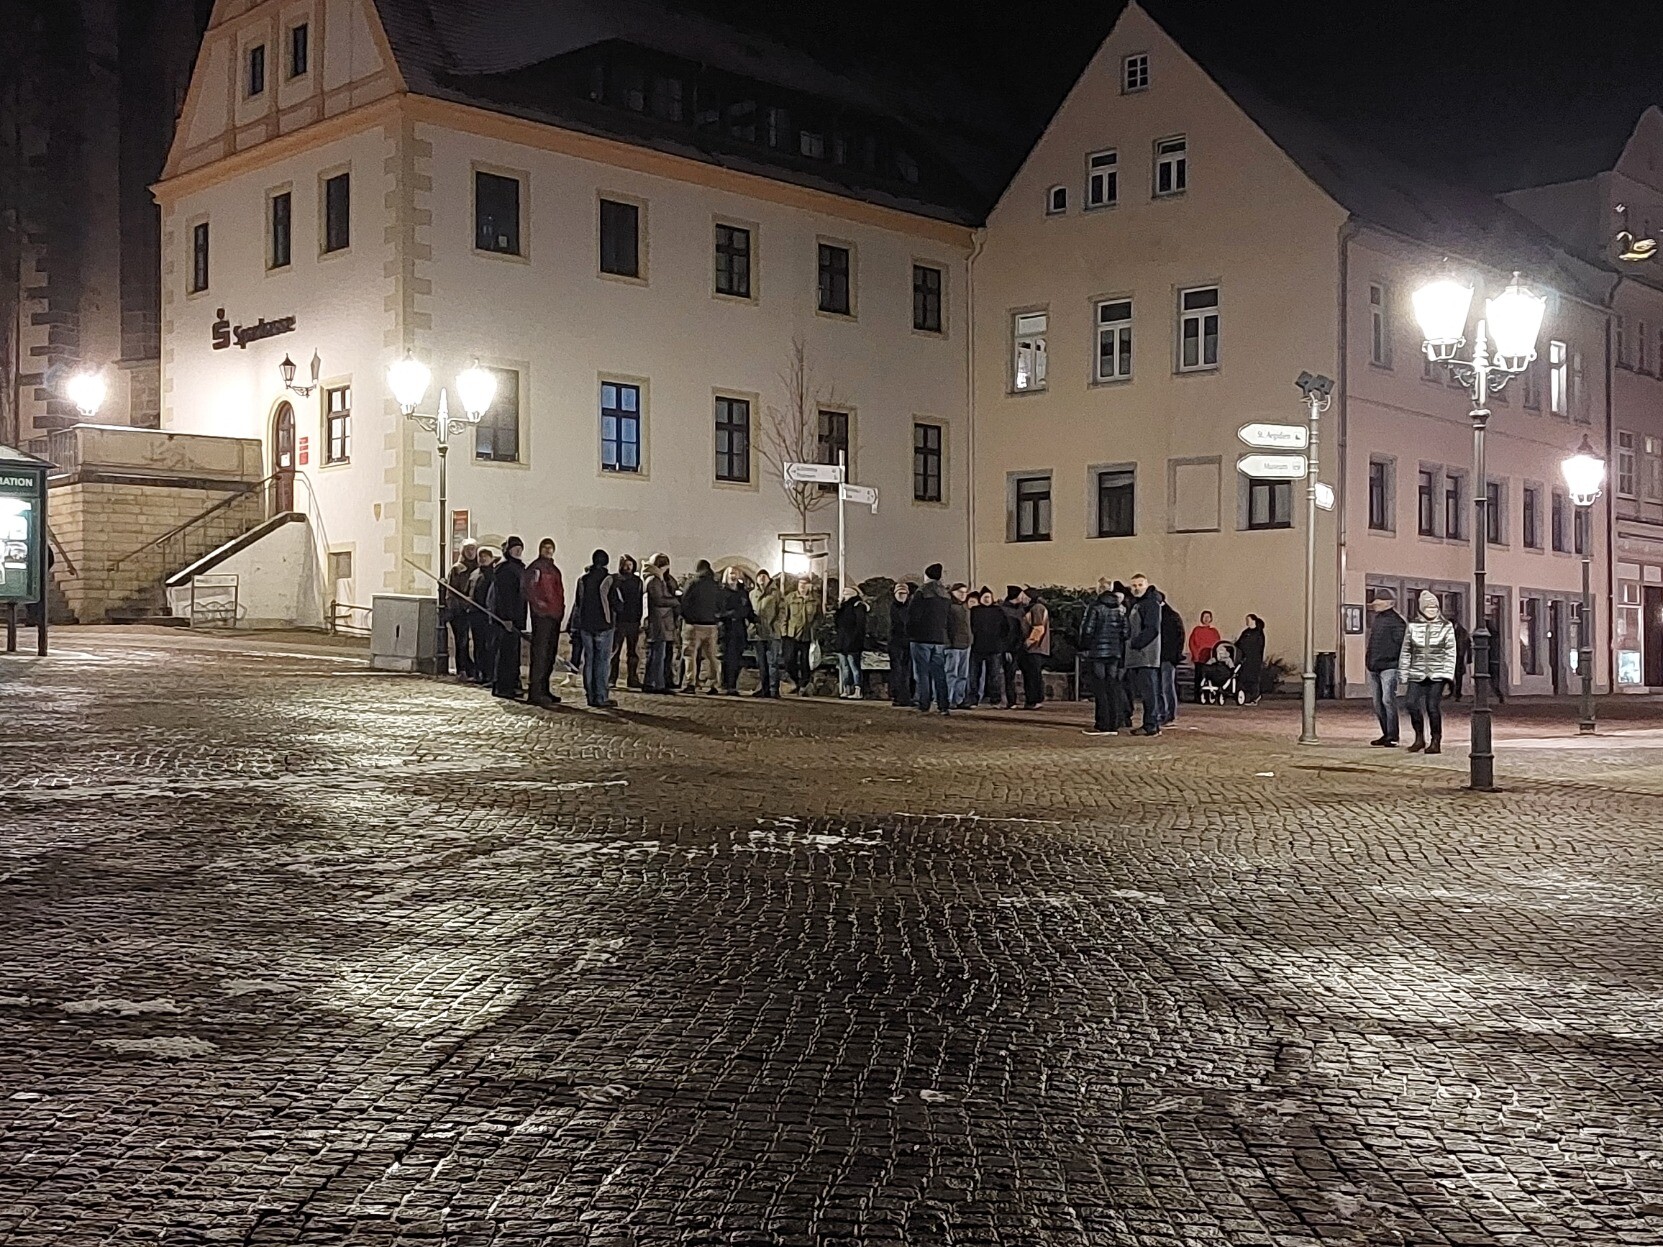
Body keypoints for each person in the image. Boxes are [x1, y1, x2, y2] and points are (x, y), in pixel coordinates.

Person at [1399, 589, 1457, 754]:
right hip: (1417, 672)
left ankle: (1435, 740)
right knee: (1411, 703)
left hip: (1437, 673)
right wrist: (1404, 673)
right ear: (1421, 609)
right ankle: (1419, 737)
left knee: (1432, 706)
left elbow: (1450, 652)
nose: (1431, 610)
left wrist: (1448, 675)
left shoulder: (1446, 626)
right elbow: (1406, 650)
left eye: (1434, 607)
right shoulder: (1413, 626)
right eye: (1428, 608)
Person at [572, 549, 623, 709]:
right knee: (602, 661)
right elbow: (617, 603)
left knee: (589, 661)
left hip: (585, 625)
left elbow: (578, 602)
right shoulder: (609, 580)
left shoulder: (582, 579)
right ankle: (600, 696)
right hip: (604, 624)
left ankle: (590, 695)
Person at [1079, 581, 1130, 736]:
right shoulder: (1120, 608)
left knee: (1100, 687)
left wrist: (1084, 646)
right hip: (1114, 653)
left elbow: (1088, 630)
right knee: (1112, 686)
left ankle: (1103, 722)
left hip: (1098, 653)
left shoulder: (1095, 607)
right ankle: (1115, 721)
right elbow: (1126, 632)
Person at [526, 538, 566, 706]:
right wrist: (540, 607)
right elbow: (530, 590)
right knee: (540, 654)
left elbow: (559, 591)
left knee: (549, 654)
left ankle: (544, 688)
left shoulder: (554, 570)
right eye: (545, 548)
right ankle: (535, 691)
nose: (548, 550)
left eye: (550, 548)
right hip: (542, 617)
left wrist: (560, 610)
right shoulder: (536, 568)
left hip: (554, 616)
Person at [908, 563, 952, 714]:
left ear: (926, 575)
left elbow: (913, 616)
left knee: (922, 673)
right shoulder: (945, 594)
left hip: (921, 638)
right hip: (939, 638)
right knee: (940, 673)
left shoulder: (922, 592)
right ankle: (943, 704)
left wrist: (910, 633)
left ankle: (924, 703)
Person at [1364, 590, 1406, 746]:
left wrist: (1393, 659)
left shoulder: (1397, 622)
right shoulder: (1378, 620)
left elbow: (1401, 645)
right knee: (1378, 703)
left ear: (1389, 603)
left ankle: (1393, 736)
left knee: (1387, 700)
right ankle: (1386, 733)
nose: (1375, 605)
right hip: (1375, 666)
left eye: (1378, 602)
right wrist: (1369, 660)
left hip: (1389, 666)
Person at [1124, 574, 1165, 736]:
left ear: (1146, 585)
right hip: (1138, 656)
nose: (1136, 588)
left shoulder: (1150, 603)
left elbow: (1152, 629)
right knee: (1145, 692)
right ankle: (1150, 723)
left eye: (1140, 585)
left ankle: (1151, 724)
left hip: (1146, 656)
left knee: (1149, 692)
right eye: (1134, 585)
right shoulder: (1138, 603)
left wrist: (1136, 643)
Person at [491, 537, 529, 699]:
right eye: (515, 548)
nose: (518, 550)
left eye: (520, 548)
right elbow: (503, 597)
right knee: (505, 654)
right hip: (506, 619)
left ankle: (512, 684)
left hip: (516, 617)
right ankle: (502, 686)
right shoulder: (505, 569)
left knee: (513, 653)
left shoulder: (519, 568)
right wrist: (506, 618)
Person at [680, 559, 723, 695]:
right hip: (711, 625)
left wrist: (687, 617)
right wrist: (715, 618)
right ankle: (714, 684)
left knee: (690, 655)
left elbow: (684, 601)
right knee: (712, 656)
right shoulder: (715, 585)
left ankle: (690, 683)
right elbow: (721, 604)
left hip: (694, 625)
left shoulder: (693, 583)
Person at [643, 553, 680, 693]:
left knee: (660, 653)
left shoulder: (662, 579)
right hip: (658, 621)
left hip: (665, 620)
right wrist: (675, 601)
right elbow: (659, 600)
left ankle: (656, 682)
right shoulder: (654, 580)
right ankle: (656, 684)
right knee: (657, 654)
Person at [967, 588, 1009, 709]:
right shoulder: (974, 611)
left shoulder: (998, 611)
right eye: (984, 597)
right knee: (974, 675)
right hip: (977, 647)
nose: (986, 599)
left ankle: (995, 699)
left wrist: (1001, 642)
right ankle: (973, 699)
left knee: (994, 675)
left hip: (994, 648)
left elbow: (1005, 628)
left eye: (988, 597)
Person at [781, 576, 823, 694]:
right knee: (789, 660)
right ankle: (795, 679)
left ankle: (803, 684)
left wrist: (814, 627)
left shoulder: (815, 600)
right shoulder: (790, 598)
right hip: (791, 634)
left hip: (807, 635)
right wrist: (784, 631)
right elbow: (784, 615)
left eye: (805, 584)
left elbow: (819, 616)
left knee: (805, 661)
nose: (802, 586)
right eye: (800, 584)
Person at [608, 554, 644, 689]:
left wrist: (639, 617)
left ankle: (632, 678)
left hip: (633, 620)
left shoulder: (637, 581)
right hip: (619, 621)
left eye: (630, 565)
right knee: (615, 651)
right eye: (626, 565)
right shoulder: (615, 579)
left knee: (633, 652)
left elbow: (639, 600)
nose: (628, 567)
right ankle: (612, 678)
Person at [445, 539, 479, 680]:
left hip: (475, 609)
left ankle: (476, 670)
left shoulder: (479, 569)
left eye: (473, 549)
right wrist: (459, 606)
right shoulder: (457, 569)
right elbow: (451, 592)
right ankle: (463, 669)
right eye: (468, 549)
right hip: (460, 611)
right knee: (462, 641)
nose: (471, 552)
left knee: (478, 641)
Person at [718, 566, 753, 696]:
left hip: (739, 629)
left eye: (736, 574)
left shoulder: (742, 593)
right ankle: (728, 684)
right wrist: (729, 614)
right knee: (728, 658)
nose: (733, 576)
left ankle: (733, 684)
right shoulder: (722, 592)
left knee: (738, 658)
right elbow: (719, 611)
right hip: (727, 629)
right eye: (731, 573)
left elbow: (748, 609)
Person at [466, 545, 497, 687]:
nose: (483, 559)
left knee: (488, 646)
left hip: (487, 615)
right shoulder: (474, 574)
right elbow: (469, 591)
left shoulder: (493, 575)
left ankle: (489, 675)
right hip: (474, 614)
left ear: (491, 558)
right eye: (481, 556)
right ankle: (479, 673)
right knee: (478, 645)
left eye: (486, 556)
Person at [750, 570, 784, 698]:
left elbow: (782, 610)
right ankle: (764, 689)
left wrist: (776, 625)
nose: (761, 578)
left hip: (772, 633)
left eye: (764, 576)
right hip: (758, 633)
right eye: (759, 576)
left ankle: (774, 689)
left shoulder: (776, 594)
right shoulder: (752, 594)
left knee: (773, 662)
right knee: (762, 664)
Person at [833, 587, 869, 698]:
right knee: (845, 667)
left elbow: (860, 625)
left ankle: (857, 690)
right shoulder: (843, 608)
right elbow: (837, 623)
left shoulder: (858, 606)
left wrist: (855, 639)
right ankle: (847, 689)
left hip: (852, 642)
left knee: (853, 667)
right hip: (843, 641)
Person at [1018, 587, 1050, 710]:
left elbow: (1038, 628)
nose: (1022, 598)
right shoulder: (1033, 608)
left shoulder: (1037, 608)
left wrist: (1028, 642)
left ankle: (1035, 699)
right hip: (1034, 647)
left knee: (1033, 675)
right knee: (1031, 674)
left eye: (1024, 596)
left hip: (1035, 648)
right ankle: (1032, 699)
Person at [887, 581, 914, 706]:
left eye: (904, 593)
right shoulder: (892, 607)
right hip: (896, 642)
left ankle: (906, 696)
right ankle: (898, 696)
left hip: (907, 642)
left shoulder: (910, 607)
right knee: (897, 670)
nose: (901, 595)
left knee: (906, 670)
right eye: (899, 593)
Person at [999, 588, 1026, 710]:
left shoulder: (1020, 609)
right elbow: (1005, 632)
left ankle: (1016, 700)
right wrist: (1007, 649)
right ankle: (1011, 700)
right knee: (1009, 674)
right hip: (1011, 647)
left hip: (1020, 646)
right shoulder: (1004, 611)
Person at [1158, 598, 1185, 726]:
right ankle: (1166, 714)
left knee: (1165, 686)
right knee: (1164, 686)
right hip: (1166, 656)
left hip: (1165, 656)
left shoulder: (1167, 617)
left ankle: (1168, 714)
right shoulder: (1172, 616)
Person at [946, 584, 973, 707]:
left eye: (965, 592)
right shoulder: (949, 606)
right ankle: (948, 699)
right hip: (953, 645)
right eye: (960, 592)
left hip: (965, 644)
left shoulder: (965, 607)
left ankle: (958, 699)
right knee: (951, 673)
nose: (963, 594)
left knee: (963, 675)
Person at [1187, 610, 1220, 704]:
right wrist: (1195, 655)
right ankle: (1198, 697)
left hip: (1211, 659)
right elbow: (1192, 643)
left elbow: (1217, 644)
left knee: (1211, 678)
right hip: (1199, 658)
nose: (1206, 619)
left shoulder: (1214, 632)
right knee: (1199, 678)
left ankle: (1210, 696)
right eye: (1204, 617)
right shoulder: (1197, 630)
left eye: (1208, 617)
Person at [1235, 614, 1267, 705]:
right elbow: (1238, 643)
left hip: (1254, 660)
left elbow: (1258, 647)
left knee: (1253, 679)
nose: (1247, 622)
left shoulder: (1258, 633)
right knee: (1244, 678)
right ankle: (1245, 696)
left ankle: (1255, 697)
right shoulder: (1246, 632)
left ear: (1253, 620)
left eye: (1248, 620)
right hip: (1245, 660)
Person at [1452, 619, 1472, 701]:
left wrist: (1468, 658)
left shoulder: (1462, 632)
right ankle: (1455, 692)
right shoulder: (1459, 631)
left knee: (1458, 675)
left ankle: (1457, 693)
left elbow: (1467, 645)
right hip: (1454, 656)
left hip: (1459, 657)